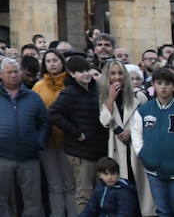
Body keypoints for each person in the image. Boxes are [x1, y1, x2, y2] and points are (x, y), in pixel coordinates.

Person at [0, 56, 48, 217]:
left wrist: (39, 142)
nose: (13, 75)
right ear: (0, 74)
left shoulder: (33, 97)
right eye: (9, 72)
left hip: (29, 157)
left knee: (33, 201)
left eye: (16, 72)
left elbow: (44, 122)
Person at [49, 54, 108, 214]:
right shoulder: (69, 93)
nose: (86, 74)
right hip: (80, 152)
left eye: (87, 70)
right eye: (80, 71)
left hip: (100, 149)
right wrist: (76, 134)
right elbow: (53, 114)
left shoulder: (97, 89)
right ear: (73, 74)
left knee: (102, 192)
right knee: (84, 194)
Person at [100, 56, 154, 214]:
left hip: (136, 146)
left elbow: (148, 121)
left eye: (120, 73)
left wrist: (132, 130)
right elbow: (104, 121)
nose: (117, 77)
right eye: (113, 73)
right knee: (123, 187)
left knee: (141, 188)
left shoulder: (139, 96)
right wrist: (111, 98)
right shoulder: (104, 98)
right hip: (117, 147)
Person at [36, 48, 78, 217]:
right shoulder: (38, 87)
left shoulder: (71, 84)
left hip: (69, 142)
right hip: (47, 143)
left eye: (55, 60)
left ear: (62, 62)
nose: (52, 64)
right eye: (48, 61)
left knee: (70, 184)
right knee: (54, 185)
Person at [132, 67, 174, 216]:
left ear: (173, 86)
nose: (163, 87)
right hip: (154, 169)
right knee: (162, 210)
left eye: (168, 83)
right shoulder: (144, 110)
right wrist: (143, 153)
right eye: (159, 83)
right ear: (153, 85)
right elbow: (136, 133)